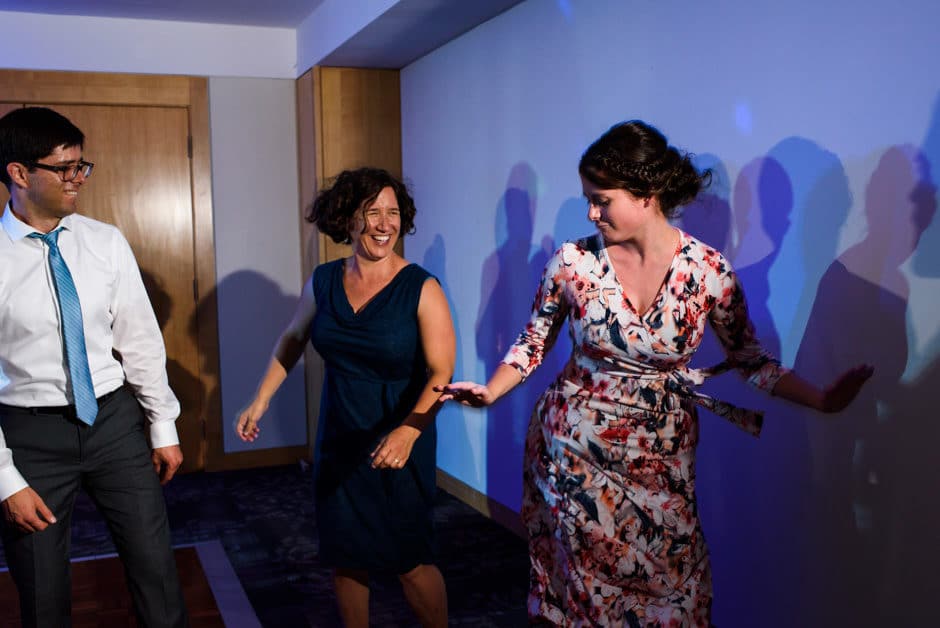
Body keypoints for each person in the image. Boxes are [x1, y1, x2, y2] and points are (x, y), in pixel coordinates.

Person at [437, 120, 873, 626]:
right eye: (588, 199)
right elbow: (534, 343)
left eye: (602, 199)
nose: (591, 213)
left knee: (673, 590)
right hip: (571, 449)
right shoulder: (572, 263)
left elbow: (751, 362)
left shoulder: (709, 273)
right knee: (582, 592)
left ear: (647, 194)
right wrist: (490, 391)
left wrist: (821, 399)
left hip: (661, 456)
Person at [235, 167, 455, 628]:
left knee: (408, 559)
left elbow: (441, 372)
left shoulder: (422, 287)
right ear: (347, 219)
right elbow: (293, 339)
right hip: (340, 434)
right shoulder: (324, 281)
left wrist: (409, 432)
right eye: (371, 212)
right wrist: (261, 399)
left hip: (399, 436)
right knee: (345, 552)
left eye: (393, 213)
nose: (383, 224)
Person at [0, 106, 187, 626]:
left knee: (156, 572)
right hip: (30, 436)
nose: (77, 179)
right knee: (41, 592)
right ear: (18, 173)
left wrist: (162, 424)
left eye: (82, 165)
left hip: (114, 423)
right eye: (64, 168)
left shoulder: (105, 241)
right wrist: (4, 480)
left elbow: (140, 341)